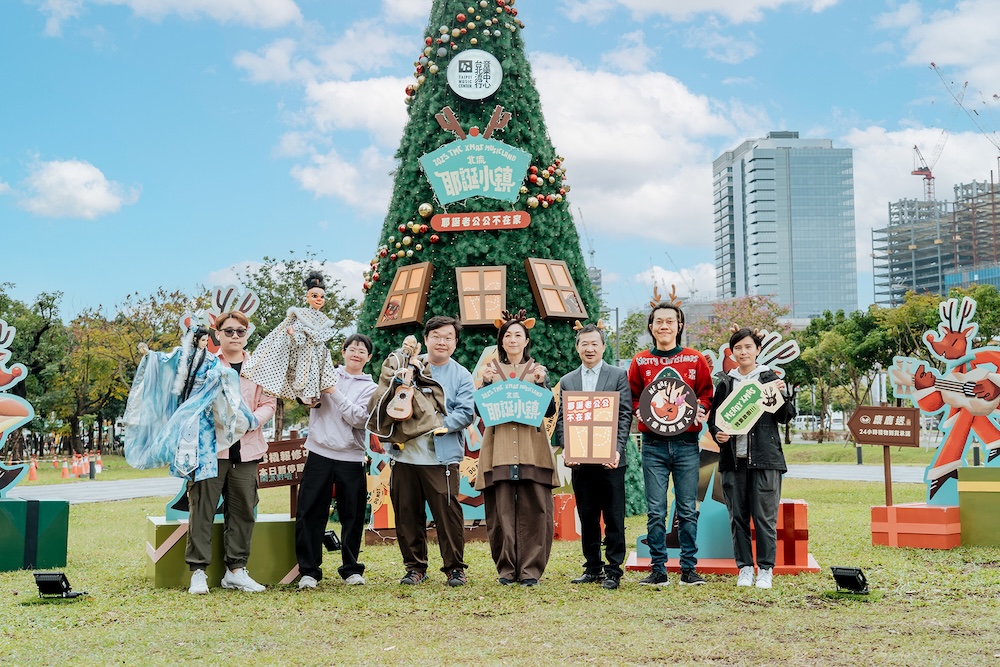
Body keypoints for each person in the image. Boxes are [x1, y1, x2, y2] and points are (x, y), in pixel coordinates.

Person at [185, 311, 277, 595]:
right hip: (211, 451)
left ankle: (236, 570)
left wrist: (253, 419)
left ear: (247, 334)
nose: (234, 336)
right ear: (218, 334)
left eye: (240, 331)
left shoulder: (259, 368)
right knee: (202, 510)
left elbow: (269, 402)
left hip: (247, 450)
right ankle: (198, 571)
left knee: (243, 511)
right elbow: (193, 401)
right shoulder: (207, 365)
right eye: (228, 331)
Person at [384, 316, 475, 587]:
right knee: (407, 513)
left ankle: (454, 568)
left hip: (441, 457)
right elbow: (388, 398)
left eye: (448, 337)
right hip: (405, 455)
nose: (442, 342)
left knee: (448, 514)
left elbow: (466, 413)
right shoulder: (409, 366)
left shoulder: (461, 374)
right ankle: (415, 567)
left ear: (455, 343)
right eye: (436, 336)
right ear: (426, 339)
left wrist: (437, 425)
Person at [627, 300, 713, 586]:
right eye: (659, 321)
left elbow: (706, 394)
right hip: (652, 445)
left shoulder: (694, 359)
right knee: (656, 510)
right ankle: (658, 569)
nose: (664, 326)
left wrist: (702, 408)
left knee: (688, 507)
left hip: (687, 443)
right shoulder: (640, 361)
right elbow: (634, 396)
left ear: (679, 326)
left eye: (670, 321)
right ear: (651, 327)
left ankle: (689, 568)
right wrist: (640, 409)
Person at [707, 327, 795, 589]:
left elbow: (786, 416)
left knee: (765, 517)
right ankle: (745, 568)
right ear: (732, 352)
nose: (743, 352)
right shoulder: (725, 382)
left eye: (748, 347)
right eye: (738, 348)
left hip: (766, 460)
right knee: (738, 518)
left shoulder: (769, 378)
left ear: (757, 350)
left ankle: (765, 569)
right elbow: (715, 420)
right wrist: (718, 434)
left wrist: (780, 394)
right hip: (733, 461)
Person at [476, 309, 558, 586]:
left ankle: (531, 570)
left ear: (526, 341)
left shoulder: (537, 371)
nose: (512, 340)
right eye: (507, 335)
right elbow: (480, 410)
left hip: (531, 449)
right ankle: (507, 570)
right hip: (498, 449)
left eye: (518, 335)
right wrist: (485, 383)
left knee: (536, 508)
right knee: (500, 512)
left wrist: (542, 384)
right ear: (501, 341)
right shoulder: (489, 372)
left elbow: (549, 411)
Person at [295, 334, 377, 589]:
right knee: (310, 512)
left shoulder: (371, 388)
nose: (356, 353)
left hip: (351, 457)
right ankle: (309, 571)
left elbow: (359, 418)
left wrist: (334, 391)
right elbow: (305, 396)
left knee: (352, 515)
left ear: (369, 357)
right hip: (319, 452)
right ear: (343, 352)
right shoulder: (325, 373)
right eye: (352, 349)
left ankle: (351, 569)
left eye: (362, 351)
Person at [554, 323, 633, 590]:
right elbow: (564, 419)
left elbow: (624, 415)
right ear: (577, 348)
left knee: (613, 514)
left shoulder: (618, 375)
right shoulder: (568, 380)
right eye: (584, 344)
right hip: (581, 461)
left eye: (594, 344)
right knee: (587, 515)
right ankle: (592, 567)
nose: (589, 348)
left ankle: (613, 569)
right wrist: (567, 448)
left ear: (603, 347)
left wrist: (617, 450)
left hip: (610, 458)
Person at [124, 325, 257, 482]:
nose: (205, 343)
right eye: (202, 340)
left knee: (205, 439)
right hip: (185, 403)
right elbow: (164, 360)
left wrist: (218, 374)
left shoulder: (211, 359)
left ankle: (204, 469)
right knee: (180, 438)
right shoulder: (182, 354)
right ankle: (185, 471)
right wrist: (150, 355)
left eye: (206, 340)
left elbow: (219, 373)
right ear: (194, 340)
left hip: (204, 404)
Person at [243, 270, 339, 407]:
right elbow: (299, 338)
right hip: (304, 352)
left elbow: (323, 336)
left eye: (322, 297)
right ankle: (303, 396)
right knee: (302, 374)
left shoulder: (325, 320)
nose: (319, 299)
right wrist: (293, 334)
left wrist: (311, 334)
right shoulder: (301, 316)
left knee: (315, 375)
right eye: (315, 296)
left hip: (318, 354)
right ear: (307, 298)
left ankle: (313, 397)